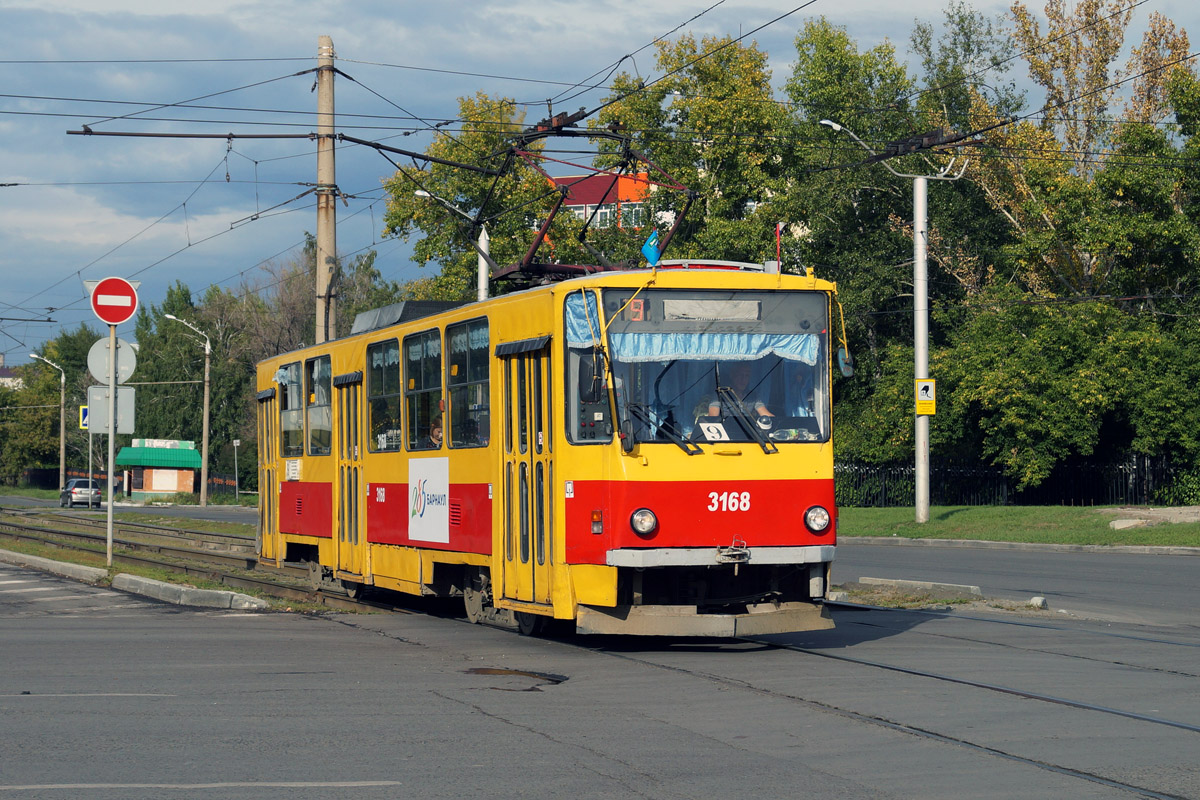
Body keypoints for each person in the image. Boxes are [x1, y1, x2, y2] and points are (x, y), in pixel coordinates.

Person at [706, 361, 772, 418]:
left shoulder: (753, 396)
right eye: (740, 375)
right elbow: (713, 418)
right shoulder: (720, 394)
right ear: (732, 375)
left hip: (748, 431)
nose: (743, 379)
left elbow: (766, 415)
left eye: (747, 376)